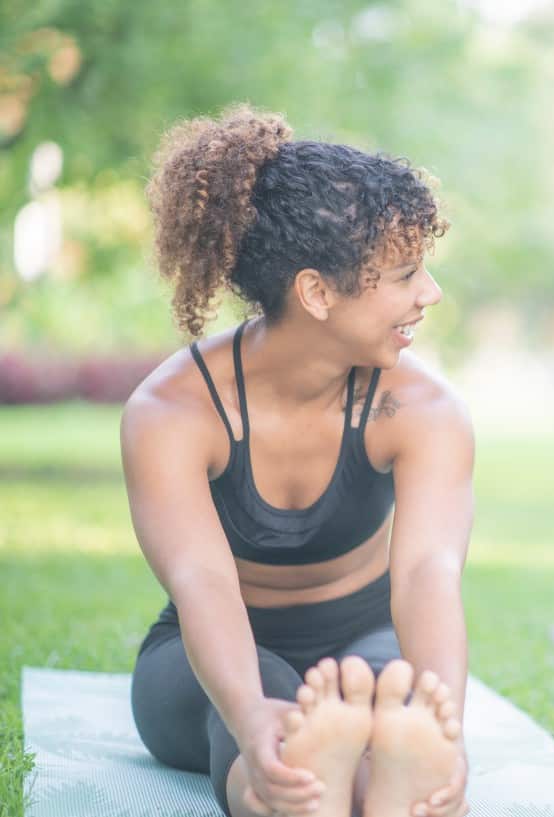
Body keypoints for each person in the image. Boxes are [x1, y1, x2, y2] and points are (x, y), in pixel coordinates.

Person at [122, 105, 472, 817]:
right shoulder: (173, 412)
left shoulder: (423, 409)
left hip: (364, 639)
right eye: (405, 274)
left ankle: (399, 784)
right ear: (316, 292)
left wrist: (446, 730)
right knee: (267, 725)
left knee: (384, 702)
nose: (429, 293)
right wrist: (251, 712)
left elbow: (426, 572)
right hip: (212, 654)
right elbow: (202, 581)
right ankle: (287, 787)